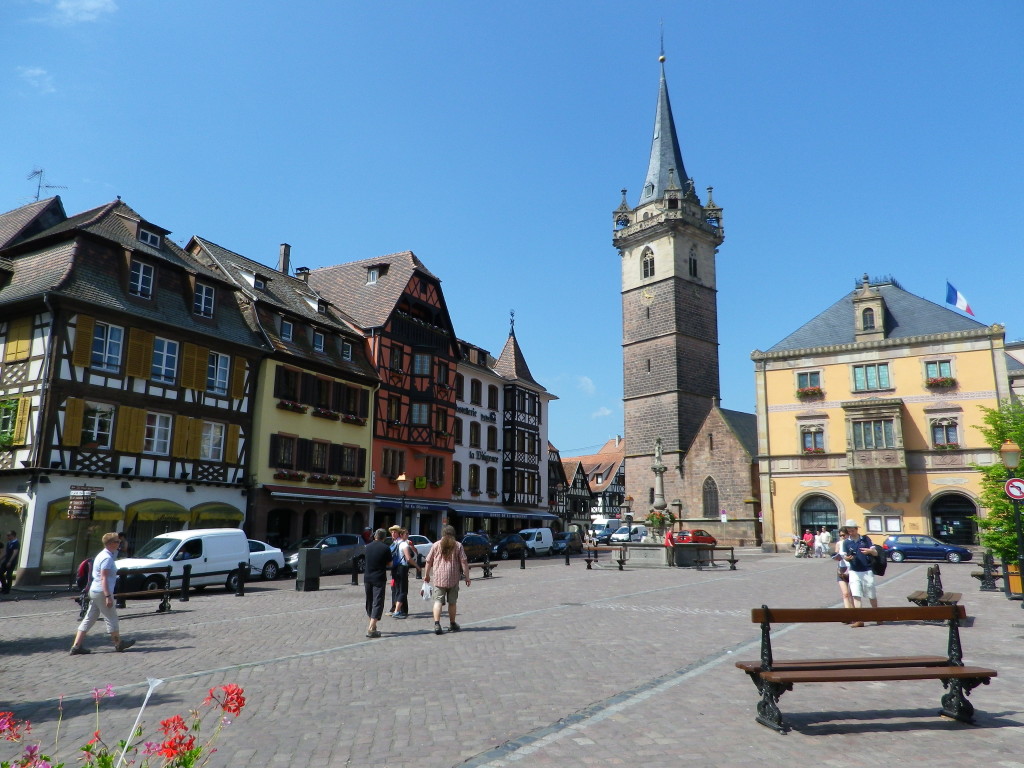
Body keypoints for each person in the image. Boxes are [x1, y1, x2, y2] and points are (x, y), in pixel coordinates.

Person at [70, 532, 135, 654]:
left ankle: (76, 646)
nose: (119, 543)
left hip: (95, 590)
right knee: (111, 617)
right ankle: (118, 643)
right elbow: (103, 578)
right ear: (110, 544)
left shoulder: (103, 555)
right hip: (101, 591)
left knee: (89, 618)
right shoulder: (106, 558)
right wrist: (108, 596)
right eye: (117, 541)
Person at [423, 525, 471, 635]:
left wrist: (426, 575)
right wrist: (467, 577)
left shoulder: (436, 545)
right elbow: (464, 562)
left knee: (438, 601)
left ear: (443, 534)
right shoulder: (458, 545)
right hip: (453, 578)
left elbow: (428, 561)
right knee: (452, 602)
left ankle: (437, 624)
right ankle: (452, 623)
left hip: (439, 578)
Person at [841, 519, 880, 626]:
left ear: (856, 529)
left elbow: (876, 553)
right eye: (848, 530)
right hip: (854, 571)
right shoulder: (846, 542)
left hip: (867, 570)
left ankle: (878, 616)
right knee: (856, 594)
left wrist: (870, 551)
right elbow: (844, 556)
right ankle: (859, 619)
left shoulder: (865, 539)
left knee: (871, 594)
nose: (850, 532)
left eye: (852, 530)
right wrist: (847, 558)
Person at [363, 529, 390, 638]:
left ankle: (373, 626)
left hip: (367, 577)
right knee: (377, 602)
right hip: (379, 578)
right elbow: (390, 563)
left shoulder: (367, 547)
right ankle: (371, 628)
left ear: (375, 536)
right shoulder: (385, 548)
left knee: (369, 601)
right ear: (383, 538)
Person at [389, 528, 418, 619]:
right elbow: (409, 558)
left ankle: (399, 610)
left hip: (395, 568)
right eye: (406, 534)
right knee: (403, 590)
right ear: (401, 535)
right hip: (402, 568)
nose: (408, 535)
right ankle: (397, 611)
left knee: (397, 589)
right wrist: (417, 566)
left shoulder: (395, 543)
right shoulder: (404, 544)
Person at [833, 526, 853, 609]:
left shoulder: (851, 543)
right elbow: (836, 554)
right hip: (841, 569)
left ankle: (854, 614)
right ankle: (847, 614)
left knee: (852, 594)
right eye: (840, 535)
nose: (842, 537)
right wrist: (836, 557)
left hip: (851, 569)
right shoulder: (838, 543)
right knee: (845, 594)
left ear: (848, 534)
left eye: (844, 535)